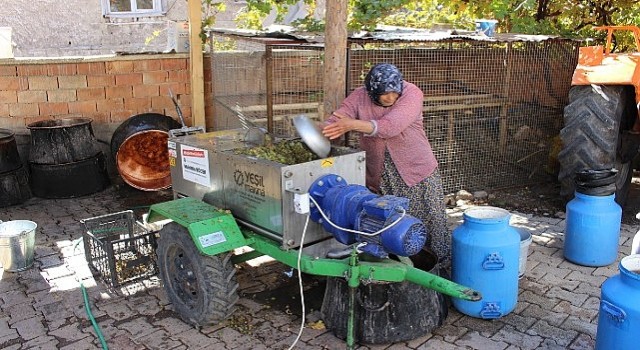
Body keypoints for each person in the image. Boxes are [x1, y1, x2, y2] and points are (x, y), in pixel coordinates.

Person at [322, 63, 450, 267]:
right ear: (372, 91)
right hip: (381, 174)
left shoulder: (412, 93)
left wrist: (352, 124)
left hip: (416, 171)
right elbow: (341, 115)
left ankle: (439, 269)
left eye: (394, 93)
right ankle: (398, 268)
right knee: (389, 223)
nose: (391, 98)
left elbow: (391, 126)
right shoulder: (360, 96)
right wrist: (327, 129)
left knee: (429, 221)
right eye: (384, 94)